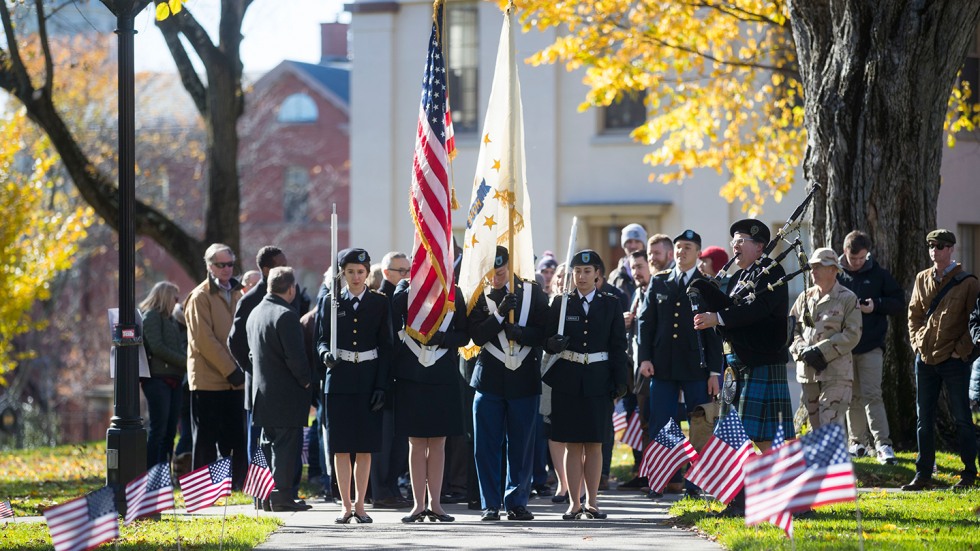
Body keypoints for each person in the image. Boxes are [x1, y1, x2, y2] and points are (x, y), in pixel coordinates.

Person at [693, 219, 795, 517]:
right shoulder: (742, 276)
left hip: (761, 362)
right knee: (755, 438)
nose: (734, 246)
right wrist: (709, 311)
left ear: (760, 246)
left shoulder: (771, 273)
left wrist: (719, 318)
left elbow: (756, 312)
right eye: (733, 241)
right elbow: (734, 312)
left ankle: (750, 500)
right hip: (741, 364)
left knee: (750, 437)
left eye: (741, 241)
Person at [544, 249, 628, 520]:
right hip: (568, 378)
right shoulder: (561, 303)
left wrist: (619, 382)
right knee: (571, 443)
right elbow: (546, 338)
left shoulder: (611, 303)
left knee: (595, 443)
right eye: (577, 272)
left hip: (598, 377)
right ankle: (574, 501)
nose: (581, 276)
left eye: (587, 271)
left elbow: (618, 346)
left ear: (598, 276)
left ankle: (592, 501)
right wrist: (551, 343)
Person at [637, 230, 722, 496]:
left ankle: (695, 484)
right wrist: (645, 358)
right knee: (662, 423)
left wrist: (714, 371)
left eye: (687, 247)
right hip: (662, 364)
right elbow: (646, 321)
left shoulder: (707, 284)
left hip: (696, 366)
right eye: (678, 247)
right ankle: (661, 479)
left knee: (699, 424)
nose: (681, 252)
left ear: (698, 253)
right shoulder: (660, 281)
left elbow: (714, 333)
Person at [467, 246, 549, 522]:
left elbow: (544, 331)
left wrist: (522, 333)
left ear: (510, 267)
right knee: (486, 446)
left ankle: (517, 501)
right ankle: (490, 503)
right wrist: (500, 315)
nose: (496, 278)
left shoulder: (532, 292)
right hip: (489, 379)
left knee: (521, 446)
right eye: (491, 273)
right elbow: (477, 335)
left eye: (500, 272)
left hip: (523, 379)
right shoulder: (479, 294)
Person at [316, 248, 393, 522]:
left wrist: (382, 386)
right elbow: (321, 339)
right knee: (341, 445)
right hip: (340, 379)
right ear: (342, 273)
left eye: (361, 272)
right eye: (350, 272)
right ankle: (345, 504)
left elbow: (386, 346)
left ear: (368, 273)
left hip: (369, 378)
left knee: (364, 446)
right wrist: (326, 354)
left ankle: (361, 505)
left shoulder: (380, 303)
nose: (356, 277)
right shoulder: (330, 302)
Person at [903, 229, 979, 491]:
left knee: (961, 417)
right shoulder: (922, 278)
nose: (935, 250)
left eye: (941, 246)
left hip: (954, 360)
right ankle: (923, 474)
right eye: (931, 245)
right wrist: (916, 343)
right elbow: (913, 315)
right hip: (925, 358)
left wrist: (961, 351)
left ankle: (969, 473)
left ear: (952, 250)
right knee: (923, 418)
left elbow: (975, 321)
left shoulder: (968, 282)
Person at [392, 279, 467, 523]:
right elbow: (394, 317)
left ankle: (435, 504)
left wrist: (444, 339)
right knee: (416, 442)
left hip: (442, 374)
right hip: (412, 375)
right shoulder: (406, 290)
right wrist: (411, 287)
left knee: (438, 442)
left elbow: (464, 335)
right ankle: (417, 504)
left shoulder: (454, 293)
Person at [246, 267, 313, 512]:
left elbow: (251, 355)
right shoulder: (286, 315)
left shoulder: (256, 313)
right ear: (291, 288)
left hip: (262, 392)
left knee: (266, 444)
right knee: (285, 446)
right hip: (286, 393)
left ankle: (263, 496)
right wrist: (307, 381)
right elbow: (295, 358)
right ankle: (282, 496)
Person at [838, 230, 905, 464]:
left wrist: (875, 305)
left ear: (867, 254)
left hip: (871, 346)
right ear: (844, 252)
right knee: (851, 397)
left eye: (861, 259)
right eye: (852, 258)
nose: (856, 263)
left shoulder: (878, 274)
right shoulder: (836, 274)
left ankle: (883, 444)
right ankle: (856, 442)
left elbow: (898, 302)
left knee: (872, 395)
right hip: (844, 348)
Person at [184, 243, 247, 488]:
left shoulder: (239, 293)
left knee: (235, 437)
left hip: (235, 380)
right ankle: (202, 489)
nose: (226, 269)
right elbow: (203, 340)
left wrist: (240, 368)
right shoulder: (200, 296)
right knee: (206, 438)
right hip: (209, 380)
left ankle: (236, 484)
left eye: (230, 264)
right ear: (210, 267)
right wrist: (231, 370)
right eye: (221, 265)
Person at [228, 246, 289, 476]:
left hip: (283, 382)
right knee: (258, 439)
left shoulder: (288, 295)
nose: (286, 268)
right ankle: (259, 490)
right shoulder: (251, 299)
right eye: (280, 264)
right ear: (266, 270)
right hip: (259, 385)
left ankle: (282, 489)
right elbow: (235, 341)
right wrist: (252, 368)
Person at [790, 248, 862, 430]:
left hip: (836, 373)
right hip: (808, 373)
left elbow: (853, 334)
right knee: (815, 430)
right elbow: (791, 330)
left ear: (833, 270)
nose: (813, 271)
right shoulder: (804, 297)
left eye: (818, 267)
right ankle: (825, 459)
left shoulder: (847, 298)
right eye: (812, 267)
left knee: (828, 424)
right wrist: (802, 350)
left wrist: (820, 350)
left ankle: (831, 458)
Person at [371, 251, 412, 509]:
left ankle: (392, 486)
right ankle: (380, 490)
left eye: (409, 270)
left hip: (401, 377)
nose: (407, 276)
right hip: (383, 378)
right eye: (402, 271)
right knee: (383, 441)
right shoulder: (380, 300)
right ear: (387, 273)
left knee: (398, 441)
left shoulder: (404, 297)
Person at [139, 281, 187, 470]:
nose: (177, 302)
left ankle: (164, 471)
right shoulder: (151, 316)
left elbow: (176, 346)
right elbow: (157, 347)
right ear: (165, 297)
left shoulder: (171, 320)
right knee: (158, 429)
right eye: (175, 298)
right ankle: (151, 472)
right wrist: (184, 361)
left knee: (169, 431)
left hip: (174, 379)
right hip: (158, 380)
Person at [619, 250, 652, 490]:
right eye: (633, 267)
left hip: (649, 370)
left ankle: (656, 475)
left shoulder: (656, 291)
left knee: (648, 422)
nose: (636, 272)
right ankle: (641, 471)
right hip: (631, 368)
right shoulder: (637, 293)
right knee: (635, 421)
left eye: (640, 266)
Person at [609, 223, 648, 300]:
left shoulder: (653, 271)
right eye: (629, 241)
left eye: (637, 241)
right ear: (624, 245)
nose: (633, 246)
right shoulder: (615, 276)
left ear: (644, 244)